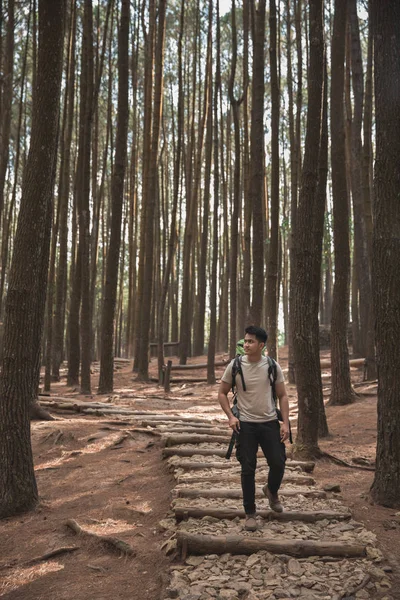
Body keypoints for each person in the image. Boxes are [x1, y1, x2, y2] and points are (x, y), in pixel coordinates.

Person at [218, 325, 290, 531]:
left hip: (269, 423)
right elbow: (221, 393)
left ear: (261, 345)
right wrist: (231, 417)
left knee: (278, 462)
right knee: (247, 468)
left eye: (250, 342)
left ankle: (271, 490)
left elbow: (283, 395)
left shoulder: (272, 366)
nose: (246, 345)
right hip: (245, 425)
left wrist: (285, 422)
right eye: (245, 341)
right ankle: (250, 513)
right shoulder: (235, 365)